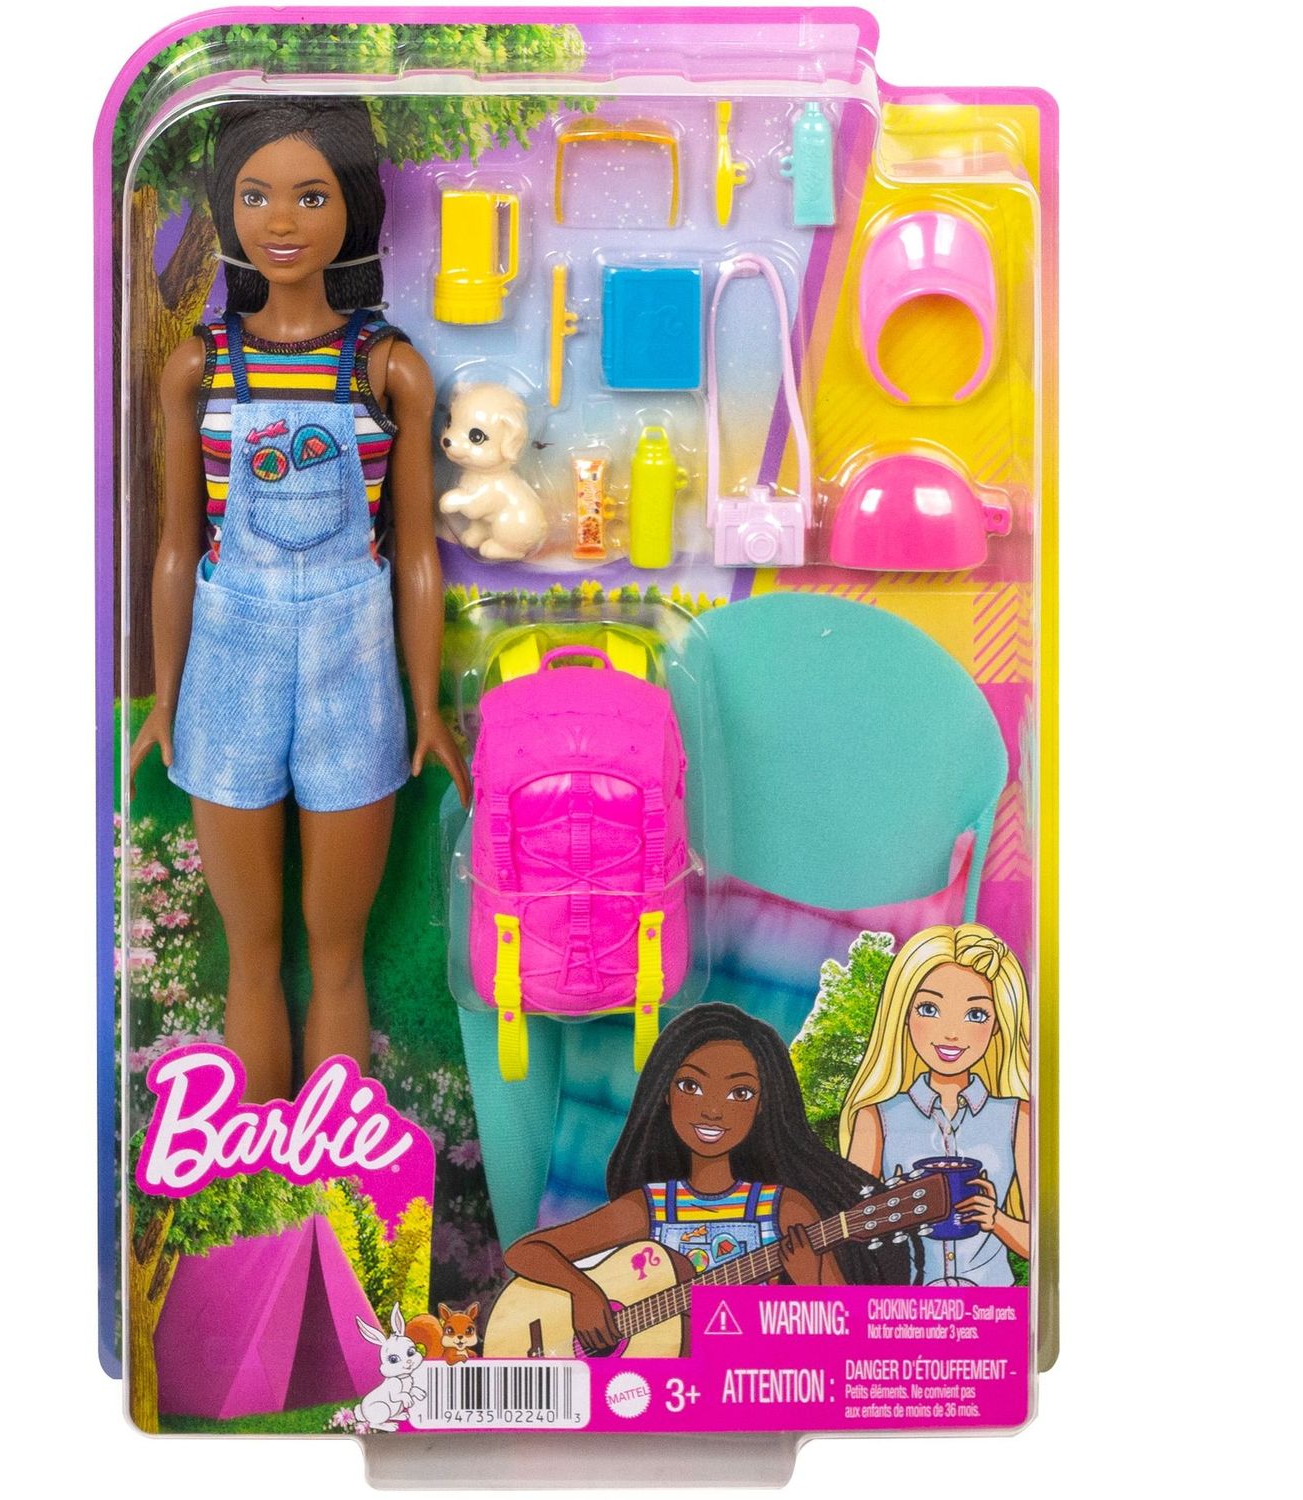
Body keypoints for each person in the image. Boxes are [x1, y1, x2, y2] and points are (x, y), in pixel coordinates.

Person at [129, 101, 469, 1100]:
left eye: (311, 196)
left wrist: (427, 703)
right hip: (227, 663)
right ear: (227, 210)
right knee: (251, 950)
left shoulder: (387, 368)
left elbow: (417, 554)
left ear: (352, 208)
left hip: (351, 668)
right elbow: (176, 549)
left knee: (337, 951)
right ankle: (253, 1170)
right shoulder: (199, 366)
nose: (281, 220)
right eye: (256, 196)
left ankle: (335, 1169)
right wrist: (165, 697)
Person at [503, 1004, 915, 1354]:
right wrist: (583, 1292)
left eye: (740, 1093)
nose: (713, 1110)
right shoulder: (651, 1208)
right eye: (691, 1086)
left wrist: (809, 1281)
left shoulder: (784, 1210)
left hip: (747, 1384)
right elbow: (527, 1251)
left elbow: (851, 1337)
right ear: (666, 1092)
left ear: (763, 1105)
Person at [842, 924, 1031, 1286]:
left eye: (976, 1014)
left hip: (992, 1306)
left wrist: (996, 1220)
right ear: (904, 1014)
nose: (951, 1033)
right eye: (929, 1008)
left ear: (997, 1025)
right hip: (907, 1305)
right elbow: (849, 1237)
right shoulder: (876, 1118)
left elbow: (1048, 1242)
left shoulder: (1016, 1117)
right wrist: (889, 1216)